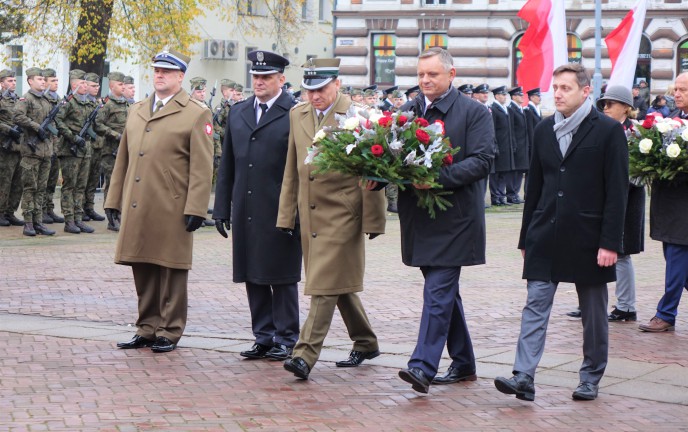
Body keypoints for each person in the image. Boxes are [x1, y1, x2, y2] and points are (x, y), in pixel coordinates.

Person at [494, 63, 628, 402]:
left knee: (594, 313)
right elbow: (534, 188)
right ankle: (523, 376)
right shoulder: (543, 129)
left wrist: (611, 242)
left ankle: (590, 376)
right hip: (545, 233)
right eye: (554, 87)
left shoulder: (608, 131)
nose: (556, 93)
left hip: (590, 237)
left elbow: (617, 192)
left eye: (565, 88)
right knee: (535, 305)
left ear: (586, 92)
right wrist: (526, 237)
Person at [277, 57, 386, 380]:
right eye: (309, 90)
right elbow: (292, 168)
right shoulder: (298, 115)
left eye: (321, 89)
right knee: (336, 283)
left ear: (337, 84)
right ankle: (365, 341)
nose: (314, 96)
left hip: (344, 213)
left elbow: (373, 170)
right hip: (310, 215)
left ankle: (304, 353)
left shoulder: (357, 116)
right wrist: (286, 215)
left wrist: (373, 220)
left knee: (322, 285)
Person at [394, 48, 494, 394]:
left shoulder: (474, 112)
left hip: (457, 219)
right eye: (421, 74)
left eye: (432, 74)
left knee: (437, 292)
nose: (425, 80)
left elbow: (482, 162)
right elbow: (393, 157)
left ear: (452, 75)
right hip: (419, 220)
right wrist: (374, 177)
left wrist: (437, 178)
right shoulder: (407, 112)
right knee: (445, 295)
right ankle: (464, 363)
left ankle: (422, 366)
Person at [106, 49, 214, 353]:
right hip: (139, 202)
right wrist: (114, 199)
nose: (159, 76)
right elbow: (123, 158)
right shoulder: (137, 109)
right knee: (142, 265)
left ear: (180, 77)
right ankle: (147, 327)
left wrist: (196, 207)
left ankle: (170, 329)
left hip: (172, 204)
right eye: (156, 71)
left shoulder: (196, 112)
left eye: (166, 72)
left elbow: (202, 167)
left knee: (171, 268)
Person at [213, 50, 302, 362]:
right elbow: (228, 165)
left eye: (266, 77)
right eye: (256, 77)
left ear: (281, 79)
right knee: (253, 272)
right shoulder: (239, 112)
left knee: (281, 275)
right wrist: (221, 207)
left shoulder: (294, 112)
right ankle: (263, 335)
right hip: (247, 207)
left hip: (280, 207)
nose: (259, 82)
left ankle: (287, 337)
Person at [638, 72, 688, 332]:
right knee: (674, 259)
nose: (676, 94)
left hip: (684, 208)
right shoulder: (670, 121)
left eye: (683, 90)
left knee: (677, 260)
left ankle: (665, 314)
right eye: (675, 89)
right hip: (668, 203)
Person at [597, 85, 645, 322]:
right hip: (602, 199)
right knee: (596, 249)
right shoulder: (601, 131)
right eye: (603, 104)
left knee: (622, 253)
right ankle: (594, 302)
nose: (605, 108)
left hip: (626, 201)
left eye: (611, 104)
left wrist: (615, 180)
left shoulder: (636, 134)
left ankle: (626, 306)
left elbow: (639, 174)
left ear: (626, 107)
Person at [13, 67, 56, 236]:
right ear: (30, 81)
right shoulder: (26, 99)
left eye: (44, 80)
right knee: (30, 188)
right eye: (39, 79)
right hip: (31, 151)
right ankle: (28, 223)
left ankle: (39, 222)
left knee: (41, 188)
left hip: (46, 151)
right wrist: (36, 126)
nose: (43, 82)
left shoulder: (45, 99)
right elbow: (17, 116)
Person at [55, 69, 96, 234]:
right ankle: (69, 220)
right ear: (74, 85)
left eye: (86, 83)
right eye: (82, 83)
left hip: (85, 150)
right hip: (70, 150)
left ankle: (79, 218)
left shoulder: (87, 103)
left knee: (81, 186)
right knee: (69, 186)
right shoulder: (69, 102)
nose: (85, 86)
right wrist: (72, 137)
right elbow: (58, 120)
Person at [94, 72, 129, 231]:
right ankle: (111, 217)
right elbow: (98, 125)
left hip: (125, 150)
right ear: (112, 86)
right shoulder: (107, 105)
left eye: (124, 84)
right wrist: (116, 135)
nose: (123, 87)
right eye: (120, 84)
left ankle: (120, 213)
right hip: (110, 151)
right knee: (112, 184)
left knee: (123, 184)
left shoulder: (126, 104)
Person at [40, 68, 65, 225]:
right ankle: (41, 210)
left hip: (57, 145)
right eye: (53, 81)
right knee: (43, 180)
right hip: (46, 144)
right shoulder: (43, 99)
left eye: (57, 81)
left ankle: (49, 208)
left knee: (52, 179)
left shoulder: (59, 99)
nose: (56, 83)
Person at [0, 69, 25, 228]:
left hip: (19, 147)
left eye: (14, 81)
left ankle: (10, 212)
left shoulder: (18, 100)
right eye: (10, 81)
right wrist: (9, 130)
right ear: (1, 83)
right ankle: (0, 212)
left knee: (18, 182)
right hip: (4, 147)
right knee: (4, 181)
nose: (13, 83)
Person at [489, 85, 515, 206]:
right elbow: (492, 129)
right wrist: (495, 146)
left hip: (506, 146)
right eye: (502, 95)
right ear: (496, 96)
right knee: (496, 173)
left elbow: (510, 130)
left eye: (505, 95)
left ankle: (501, 195)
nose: (505, 97)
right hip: (498, 145)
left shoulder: (505, 108)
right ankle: (495, 196)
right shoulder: (494, 108)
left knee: (504, 172)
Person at [507, 86, 528, 204]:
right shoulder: (511, 109)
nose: (522, 97)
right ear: (514, 97)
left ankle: (515, 192)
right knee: (513, 171)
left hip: (522, 144)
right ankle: (511, 193)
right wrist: (513, 144)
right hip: (515, 144)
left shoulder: (520, 109)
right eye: (520, 95)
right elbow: (512, 129)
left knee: (520, 170)